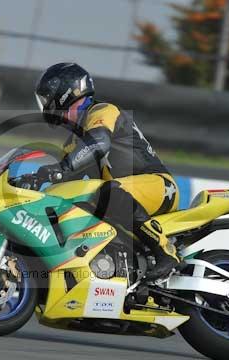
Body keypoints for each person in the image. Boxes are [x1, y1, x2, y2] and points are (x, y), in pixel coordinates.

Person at [34, 62, 183, 281]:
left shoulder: (103, 111)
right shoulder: (73, 142)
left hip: (158, 185)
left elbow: (98, 143)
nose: (46, 105)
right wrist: (36, 184)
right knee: (71, 209)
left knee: (107, 193)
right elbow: (63, 184)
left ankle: (166, 252)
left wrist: (61, 168)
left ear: (65, 93)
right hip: (121, 196)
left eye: (47, 98)